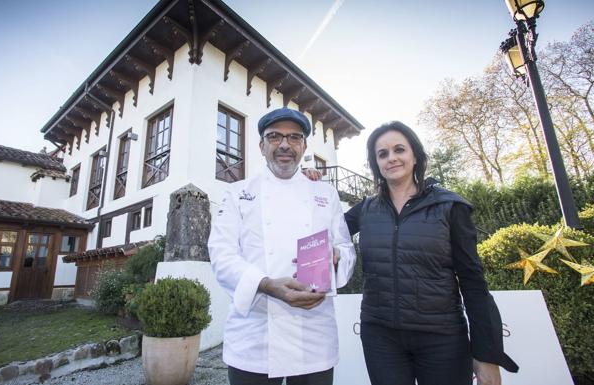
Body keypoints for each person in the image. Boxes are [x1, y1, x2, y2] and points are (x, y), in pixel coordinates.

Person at [344, 121, 519, 385]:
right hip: (380, 336)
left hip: (442, 338)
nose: (391, 158)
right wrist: (309, 184)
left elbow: (473, 283)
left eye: (399, 150)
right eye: (382, 154)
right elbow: (321, 228)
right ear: (376, 164)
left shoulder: (450, 206)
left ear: (415, 156)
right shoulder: (366, 209)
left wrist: (487, 355)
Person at [208, 107, 357, 385]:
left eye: (294, 137)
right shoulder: (238, 193)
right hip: (255, 336)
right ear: (262, 146)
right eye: (275, 137)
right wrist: (265, 285)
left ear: (304, 146)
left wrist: (336, 257)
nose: (285, 145)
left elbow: (346, 248)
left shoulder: (326, 194)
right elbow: (222, 255)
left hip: (313, 335)